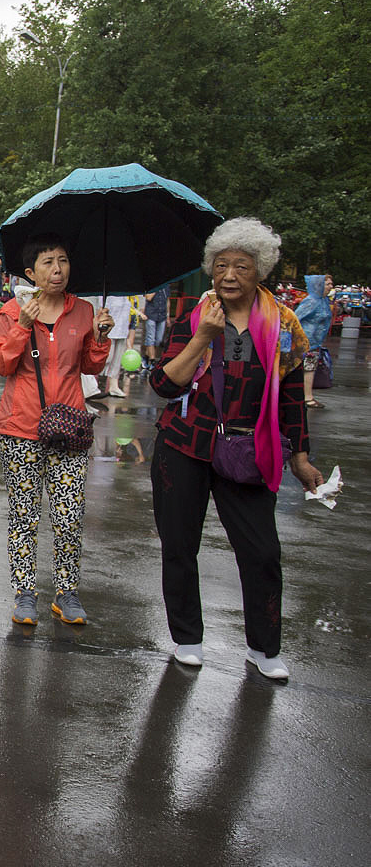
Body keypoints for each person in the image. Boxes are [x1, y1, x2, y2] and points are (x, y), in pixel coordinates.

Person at [149, 218, 321, 681]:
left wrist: (301, 457)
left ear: (259, 271)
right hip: (185, 444)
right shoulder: (195, 314)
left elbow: (290, 396)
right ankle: (188, 638)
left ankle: (264, 648)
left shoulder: (283, 323)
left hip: (248, 449)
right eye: (220, 265)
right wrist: (204, 335)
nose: (228, 275)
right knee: (179, 546)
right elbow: (164, 384)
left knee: (262, 551)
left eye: (241, 267)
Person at [0, 232, 113, 626]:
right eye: (47, 262)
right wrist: (23, 326)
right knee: (24, 515)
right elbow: (1, 364)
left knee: (69, 514)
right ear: (31, 272)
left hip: (71, 425)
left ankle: (67, 592)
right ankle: (25, 593)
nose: (57, 270)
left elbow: (90, 367)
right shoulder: (11, 312)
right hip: (21, 427)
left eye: (62, 261)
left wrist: (102, 338)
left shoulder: (85, 311)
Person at [295, 274, 333, 409]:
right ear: (319, 285)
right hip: (306, 341)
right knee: (307, 369)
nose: (331, 287)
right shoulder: (311, 301)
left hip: (315, 342)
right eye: (328, 284)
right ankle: (307, 397)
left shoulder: (323, 301)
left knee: (310, 368)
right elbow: (295, 318)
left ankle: (307, 396)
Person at [98, 293, 132, 397]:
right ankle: (93, 384)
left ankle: (114, 385)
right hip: (109, 330)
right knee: (107, 357)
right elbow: (100, 308)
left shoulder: (126, 296)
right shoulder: (107, 293)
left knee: (117, 359)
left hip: (122, 330)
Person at [143, 284, 172, 370]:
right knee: (150, 338)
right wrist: (156, 288)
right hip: (151, 314)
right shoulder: (151, 286)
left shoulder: (166, 286)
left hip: (162, 315)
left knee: (158, 340)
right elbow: (148, 297)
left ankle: (146, 357)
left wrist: (168, 316)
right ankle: (152, 361)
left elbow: (167, 301)